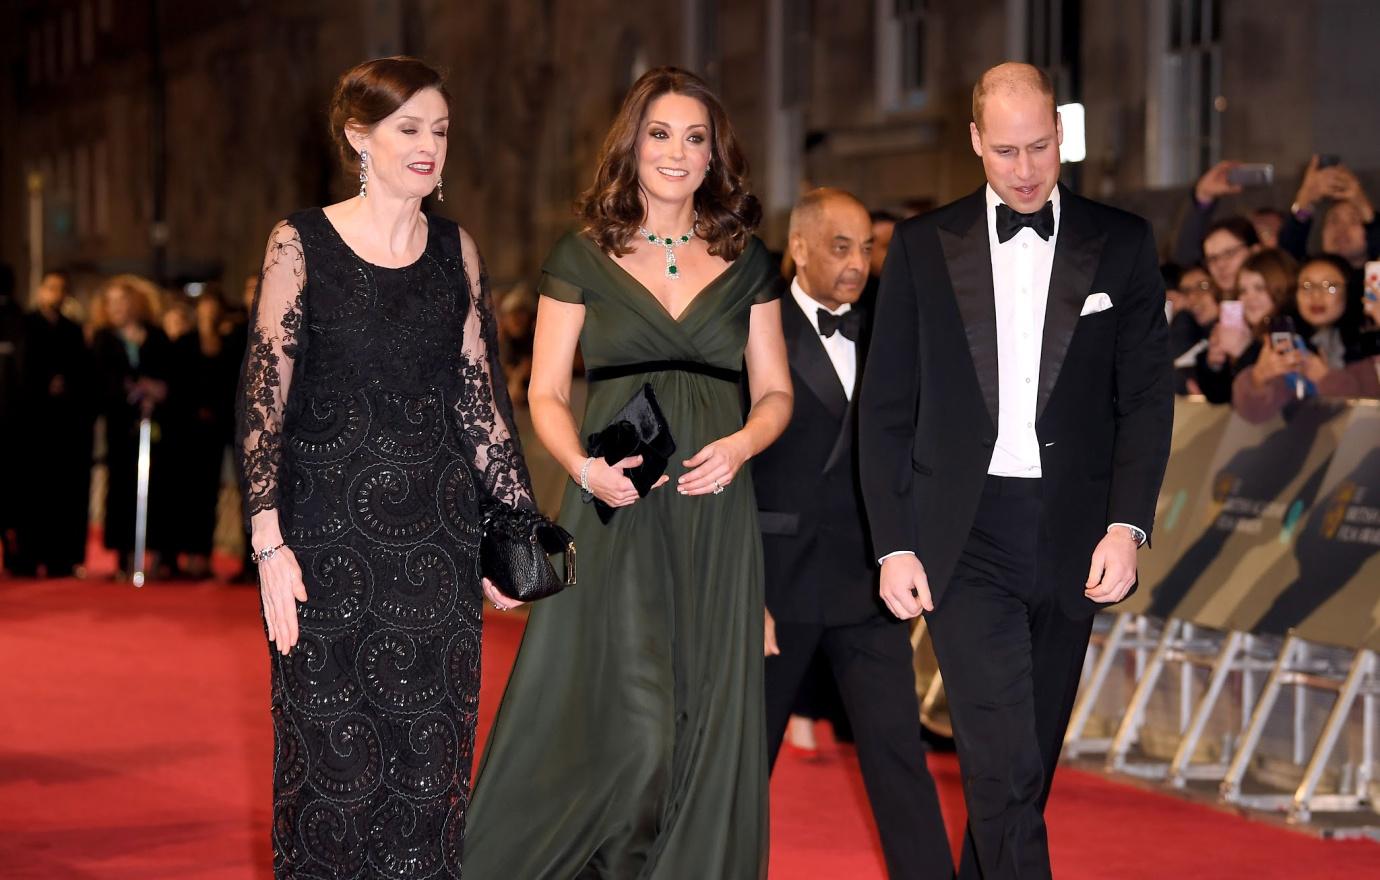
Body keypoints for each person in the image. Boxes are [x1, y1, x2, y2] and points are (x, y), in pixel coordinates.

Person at [465, 67, 792, 879]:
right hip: (615, 508)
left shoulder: (746, 260)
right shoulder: (582, 254)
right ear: (631, 144)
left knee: (701, 717)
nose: (677, 154)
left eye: (695, 138)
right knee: (633, 723)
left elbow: (778, 391)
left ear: (716, 156)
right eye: (660, 134)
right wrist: (580, 466)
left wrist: (744, 444)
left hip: (715, 510)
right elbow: (543, 390)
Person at [859, 63, 1172, 879]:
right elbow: (885, 409)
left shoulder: (1124, 243)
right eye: (1005, 151)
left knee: (1021, 770)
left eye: (1039, 147)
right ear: (974, 144)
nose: (1026, 170)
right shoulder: (925, 248)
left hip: (1074, 537)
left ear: (1061, 136)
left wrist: (1127, 524)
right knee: (1002, 767)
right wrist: (893, 544)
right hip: (965, 536)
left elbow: (1145, 400)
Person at [234, 56, 534, 877]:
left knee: (428, 767)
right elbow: (264, 396)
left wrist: (512, 532)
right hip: (324, 544)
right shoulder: (301, 243)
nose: (429, 144)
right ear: (359, 136)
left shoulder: (456, 251)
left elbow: (481, 403)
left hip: (435, 544)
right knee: (329, 769)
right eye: (409, 128)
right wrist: (267, 540)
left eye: (439, 129)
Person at [756, 188, 951, 879]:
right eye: (841, 246)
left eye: (867, 247)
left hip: (871, 579)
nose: (858, 262)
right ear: (799, 248)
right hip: (776, 581)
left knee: (900, 754)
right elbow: (725, 466)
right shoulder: (755, 326)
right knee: (744, 766)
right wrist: (745, 589)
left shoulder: (890, 330)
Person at [91, 274, 174, 576]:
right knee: (122, 487)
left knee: (157, 486)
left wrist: (155, 391)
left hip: (156, 425)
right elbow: (102, 380)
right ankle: (124, 554)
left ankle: (157, 552)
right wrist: (132, 390)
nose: (116, 308)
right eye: (111, 303)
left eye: (121, 302)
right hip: (121, 423)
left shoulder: (156, 336)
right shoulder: (104, 339)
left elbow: (170, 375)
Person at [14, 271, 95, 577]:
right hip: (32, 425)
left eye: (61, 289)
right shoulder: (26, 325)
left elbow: (82, 372)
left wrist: (65, 385)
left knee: (63, 494)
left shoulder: (73, 331)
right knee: (32, 492)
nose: (55, 293)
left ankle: (61, 559)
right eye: (50, 287)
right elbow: (20, 371)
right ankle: (28, 557)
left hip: (65, 427)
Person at [1232, 254, 1376, 420]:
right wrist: (1259, 378)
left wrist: (1324, 377)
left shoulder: (1367, 342)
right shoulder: (1288, 343)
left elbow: (1370, 410)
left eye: (1330, 286)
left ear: (1349, 291)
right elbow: (1256, 416)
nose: (1316, 296)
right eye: (1307, 286)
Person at [1192, 249, 1298, 404]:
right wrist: (1215, 365)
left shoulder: (1290, 332)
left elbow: (1275, 401)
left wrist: (1243, 352)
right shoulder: (1248, 332)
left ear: (1281, 287)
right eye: (1243, 291)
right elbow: (1222, 397)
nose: (1249, 298)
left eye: (1259, 288)